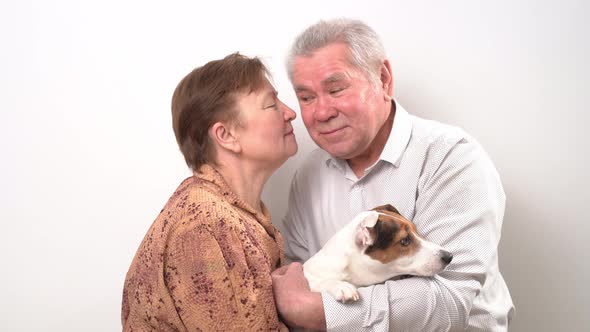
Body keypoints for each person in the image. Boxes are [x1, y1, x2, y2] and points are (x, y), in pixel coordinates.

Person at [271, 18, 514, 331]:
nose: (321, 112)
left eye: (336, 89)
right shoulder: (308, 175)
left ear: (383, 79)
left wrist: (321, 312)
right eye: (306, 98)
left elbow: (452, 301)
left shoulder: (452, 158)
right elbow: (303, 279)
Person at [122, 53, 297, 331]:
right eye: (271, 104)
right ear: (226, 136)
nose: (290, 112)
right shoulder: (205, 226)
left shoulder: (232, 215)